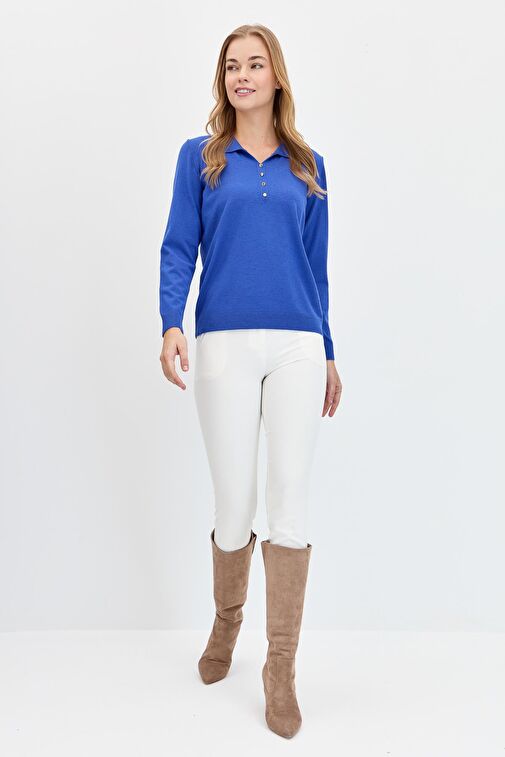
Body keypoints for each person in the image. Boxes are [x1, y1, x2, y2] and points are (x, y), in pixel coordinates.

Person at [158, 23, 342, 739]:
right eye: (232, 66)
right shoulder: (199, 158)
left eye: (254, 64)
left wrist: (328, 350)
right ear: (223, 80)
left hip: (297, 344)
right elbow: (179, 245)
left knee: (289, 499)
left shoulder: (308, 165)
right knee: (234, 502)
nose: (242, 75)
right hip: (223, 345)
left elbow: (316, 270)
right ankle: (226, 622)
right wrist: (171, 321)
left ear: (275, 77)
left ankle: (280, 667)